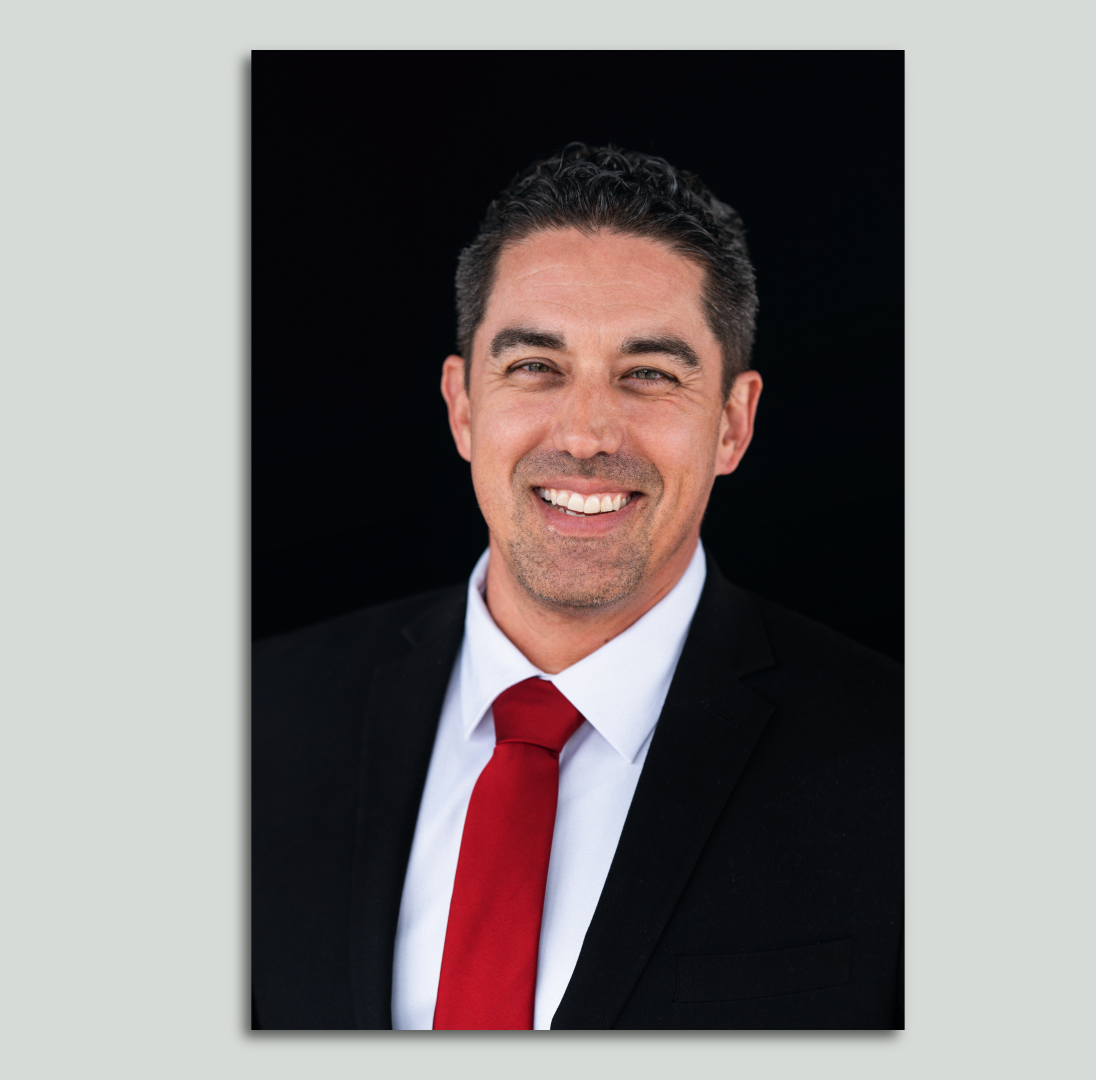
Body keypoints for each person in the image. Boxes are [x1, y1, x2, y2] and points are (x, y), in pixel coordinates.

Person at [250, 143, 899, 1030]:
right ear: (463, 407)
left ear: (733, 425)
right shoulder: (257, 722)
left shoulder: (902, 769)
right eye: (536, 367)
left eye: (649, 375)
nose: (588, 434)